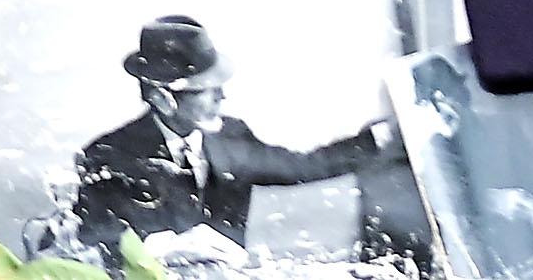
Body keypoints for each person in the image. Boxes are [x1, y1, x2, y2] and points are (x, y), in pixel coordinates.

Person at [68, 14, 396, 269]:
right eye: (207, 88)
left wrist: (379, 138)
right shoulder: (107, 156)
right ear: (161, 98)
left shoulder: (232, 136)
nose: (222, 96)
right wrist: (158, 248)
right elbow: (89, 242)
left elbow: (301, 165)